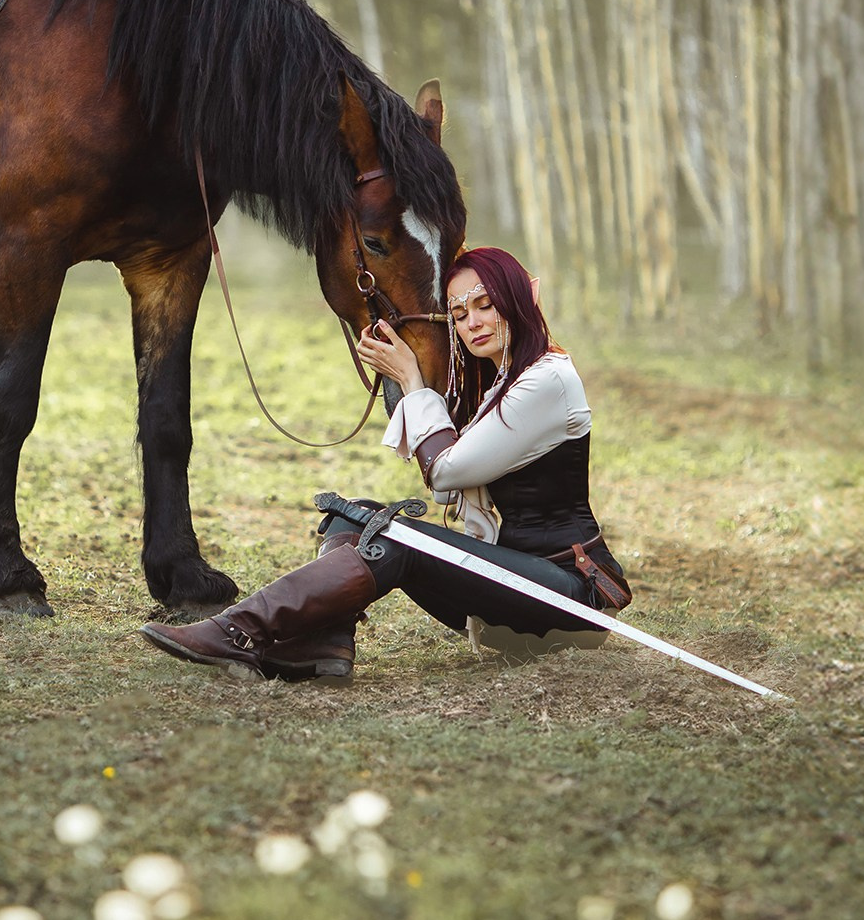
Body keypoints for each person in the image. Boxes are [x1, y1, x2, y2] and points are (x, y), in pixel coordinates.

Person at [141, 245, 632, 683]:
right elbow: (448, 482)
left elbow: (444, 472)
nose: (473, 323)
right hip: (513, 597)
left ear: (519, 300)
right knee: (351, 515)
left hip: (572, 599)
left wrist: (413, 381)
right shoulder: (501, 383)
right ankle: (323, 644)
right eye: (459, 314)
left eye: (485, 305)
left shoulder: (549, 379)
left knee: (399, 542)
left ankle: (239, 631)